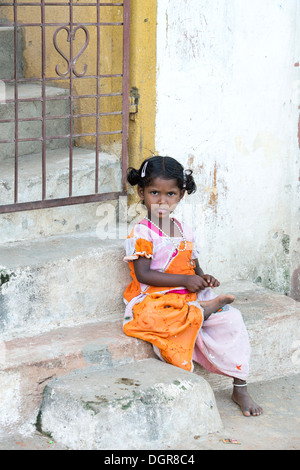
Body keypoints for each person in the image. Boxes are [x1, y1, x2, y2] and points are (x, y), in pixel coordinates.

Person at [123, 156, 263, 417]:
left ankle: (240, 385)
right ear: (141, 192)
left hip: (189, 294)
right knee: (160, 316)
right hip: (156, 296)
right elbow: (143, 275)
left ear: (181, 196)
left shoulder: (184, 230)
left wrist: (203, 278)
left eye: (170, 194)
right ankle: (203, 310)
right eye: (154, 192)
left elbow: (193, 265)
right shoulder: (142, 233)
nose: (162, 201)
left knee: (233, 320)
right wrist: (184, 281)